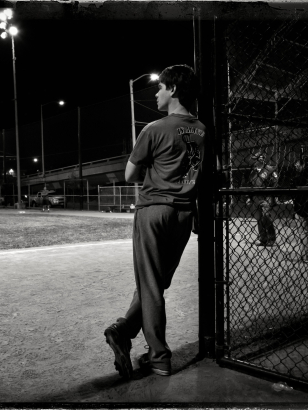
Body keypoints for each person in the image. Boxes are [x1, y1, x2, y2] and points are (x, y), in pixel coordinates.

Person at [103, 64, 205, 379]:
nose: (157, 93)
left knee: (150, 286)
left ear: (173, 89)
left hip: (153, 211)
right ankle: (122, 331)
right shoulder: (202, 129)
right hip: (184, 214)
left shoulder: (155, 128)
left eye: (161, 88)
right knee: (157, 283)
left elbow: (130, 174)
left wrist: (153, 164)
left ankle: (159, 356)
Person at [248, 152, 279, 246]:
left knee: (266, 217)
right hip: (255, 197)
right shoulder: (253, 171)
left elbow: (276, 181)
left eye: (256, 158)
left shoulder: (269, 169)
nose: (254, 161)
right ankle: (263, 238)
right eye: (254, 159)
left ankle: (271, 238)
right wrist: (249, 197)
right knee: (259, 219)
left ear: (261, 159)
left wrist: (274, 195)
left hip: (266, 196)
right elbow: (250, 184)